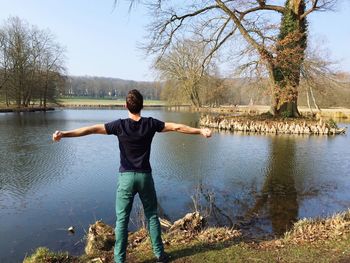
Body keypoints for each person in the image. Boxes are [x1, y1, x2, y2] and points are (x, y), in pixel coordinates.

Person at [52, 89, 212, 263]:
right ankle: (160, 255)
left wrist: (64, 134)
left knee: (122, 220)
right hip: (145, 177)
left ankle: (119, 259)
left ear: (125, 106)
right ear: (142, 106)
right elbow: (177, 127)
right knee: (151, 215)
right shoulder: (150, 124)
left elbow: (90, 129)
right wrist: (200, 130)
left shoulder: (119, 125)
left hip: (126, 178)